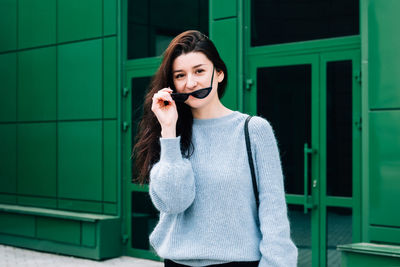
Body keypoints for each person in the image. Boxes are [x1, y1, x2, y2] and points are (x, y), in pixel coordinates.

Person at [133, 30, 298, 267]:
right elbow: (173, 203)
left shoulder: (253, 130)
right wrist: (168, 132)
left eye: (199, 71)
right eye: (180, 75)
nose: (190, 83)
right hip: (178, 262)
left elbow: (274, 214)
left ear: (218, 74)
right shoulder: (169, 134)